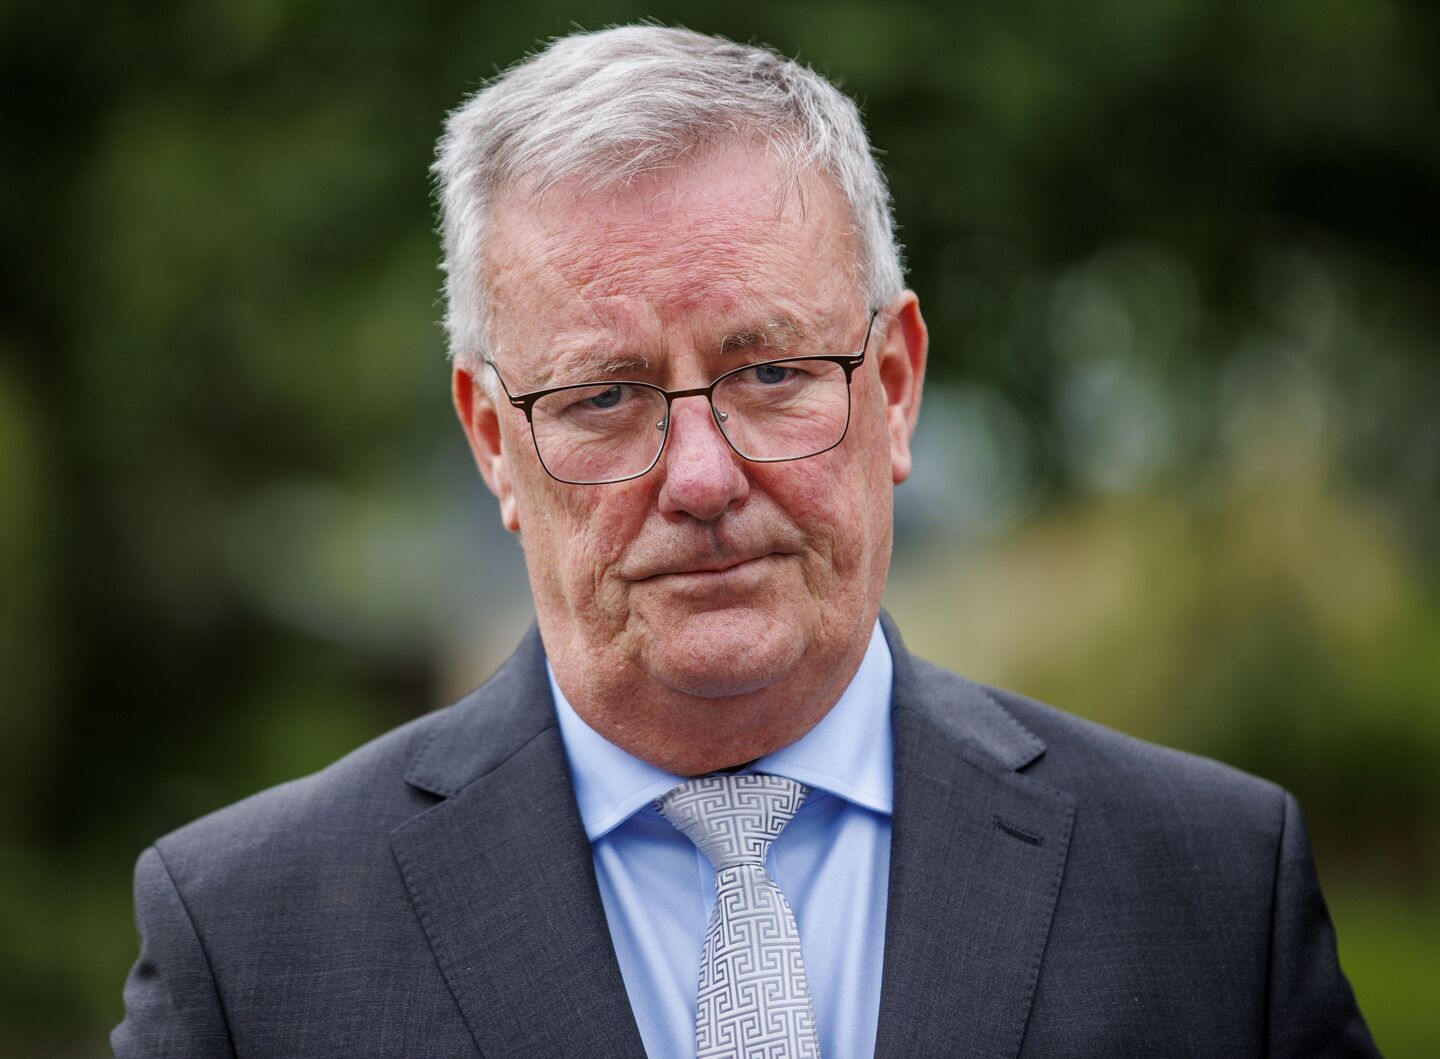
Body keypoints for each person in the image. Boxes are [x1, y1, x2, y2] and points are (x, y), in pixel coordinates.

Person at [113, 25, 1379, 1059]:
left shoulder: (1209, 892)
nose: (703, 479)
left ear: (896, 384)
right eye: (605, 397)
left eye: (770, 372)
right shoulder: (249, 945)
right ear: (494, 442)